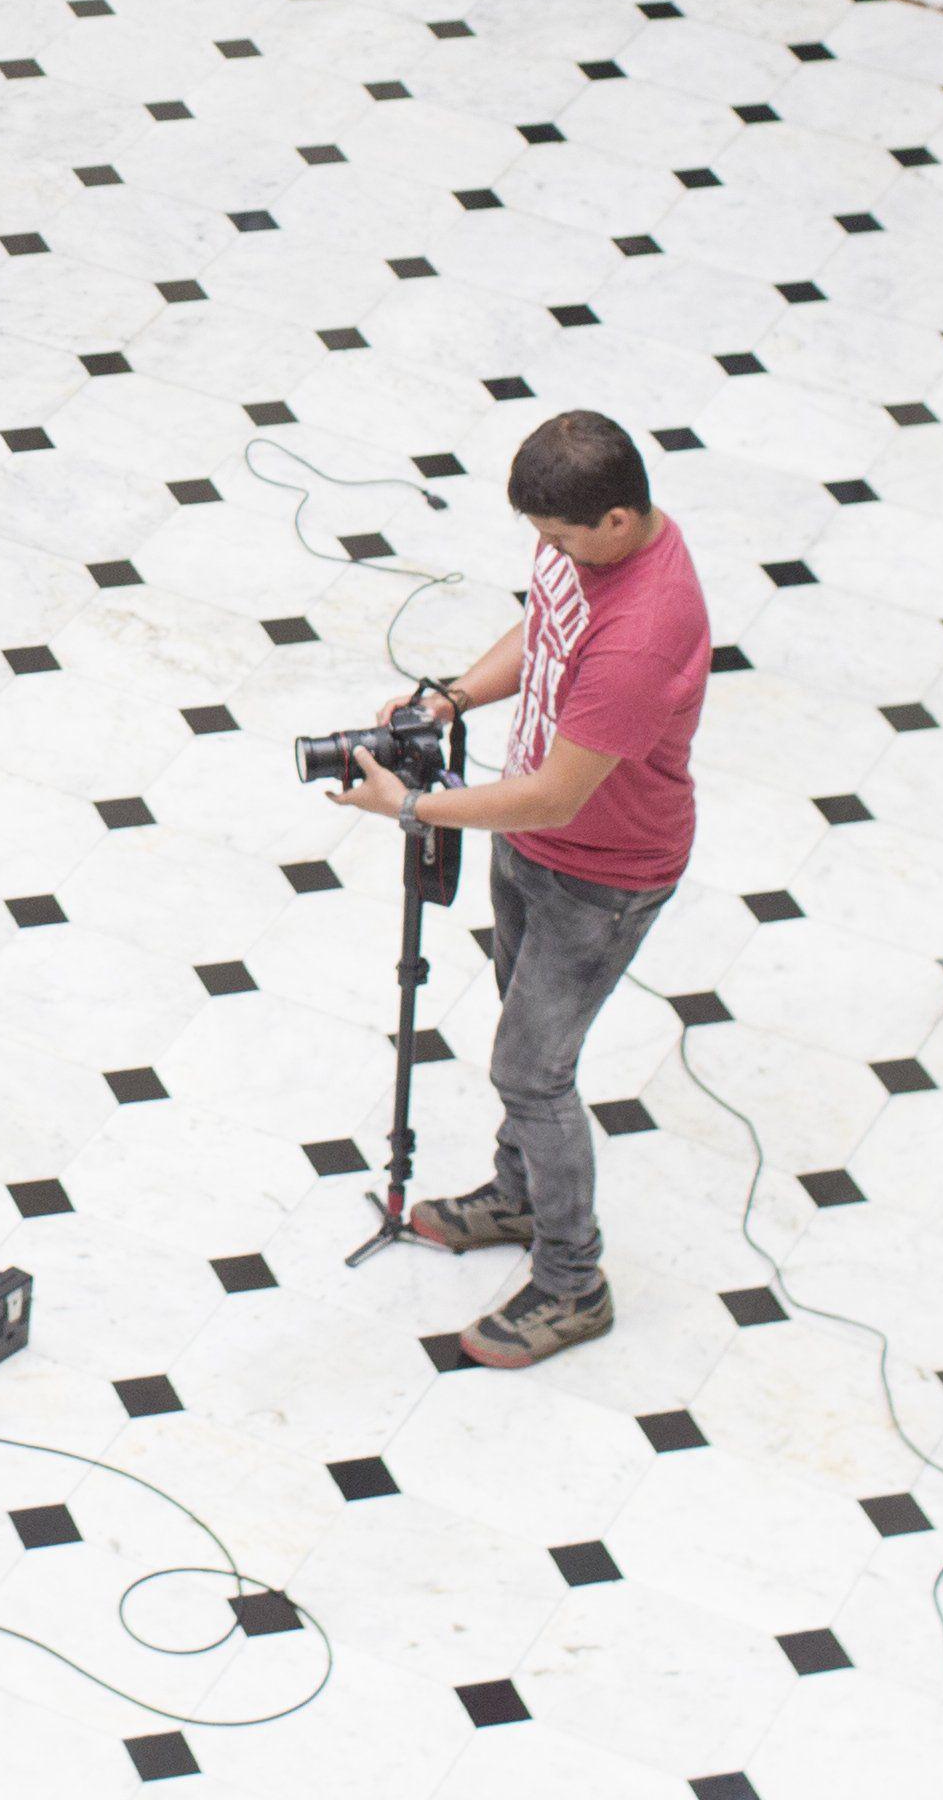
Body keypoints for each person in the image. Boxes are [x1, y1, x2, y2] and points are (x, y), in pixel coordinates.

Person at [329, 408, 709, 1371]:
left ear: (619, 520)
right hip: (532, 842)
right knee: (520, 1035)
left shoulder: (642, 636)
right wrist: (452, 697)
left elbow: (551, 796)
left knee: (531, 1073)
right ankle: (520, 1195)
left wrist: (413, 807)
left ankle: (573, 1283)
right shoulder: (588, 561)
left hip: (603, 874)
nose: (549, 554)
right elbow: (543, 628)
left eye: (559, 538)